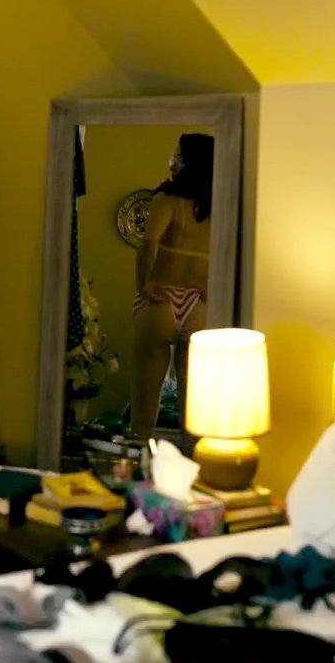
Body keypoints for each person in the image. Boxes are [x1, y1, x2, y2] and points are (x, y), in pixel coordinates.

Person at [130, 133, 215, 442]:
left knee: (144, 403)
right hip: (200, 303)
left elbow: (149, 243)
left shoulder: (166, 200)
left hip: (161, 299)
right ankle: (194, 461)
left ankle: (141, 456)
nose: (171, 162)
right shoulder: (219, 206)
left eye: (176, 157)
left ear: (188, 163)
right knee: (194, 408)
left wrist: (144, 285)